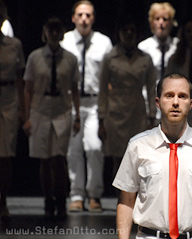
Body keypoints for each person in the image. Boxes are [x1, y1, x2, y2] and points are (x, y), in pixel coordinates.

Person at [113, 73, 192, 239]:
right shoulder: (138, 146)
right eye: (169, 95)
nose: (175, 102)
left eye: (182, 96)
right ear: (158, 102)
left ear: (191, 104)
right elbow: (126, 198)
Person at [23, 17, 81, 220]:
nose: (54, 33)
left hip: (62, 110)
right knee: (44, 159)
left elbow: (74, 90)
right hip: (40, 110)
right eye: (51, 29)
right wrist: (27, 116)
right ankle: (48, 199)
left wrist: (77, 116)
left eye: (58, 29)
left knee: (59, 158)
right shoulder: (35, 57)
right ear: (45, 32)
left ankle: (61, 198)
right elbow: (28, 89)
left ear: (62, 32)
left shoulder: (71, 59)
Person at [60, 0, 113, 212]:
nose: (84, 19)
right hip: (71, 102)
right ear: (73, 17)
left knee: (94, 147)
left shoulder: (103, 42)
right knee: (73, 150)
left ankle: (94, 194)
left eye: (88, 15)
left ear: (93, 18)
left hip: (94, 102)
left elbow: (109, 76)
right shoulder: (64, 41)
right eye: (80, 14)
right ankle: (76, 194)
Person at [97, 20, 157, 188]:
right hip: (115, 111)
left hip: (137, 111)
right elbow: (102, 90)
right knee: (118, 158)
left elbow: (152, 89)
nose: (129, 33)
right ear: (119, 33)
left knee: (139, 157)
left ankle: (138, 200)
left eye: (133, 29)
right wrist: (101, 119)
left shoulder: (145, 58)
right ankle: (121, 200)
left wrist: (153, 116)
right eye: (125, 29)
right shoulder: (110, 57)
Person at [0, 0, 25, 222]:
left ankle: (3, 200)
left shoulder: (13, 44)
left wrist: (22, 110)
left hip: (7, 98)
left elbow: (19, 78)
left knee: (6, 153)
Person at [138, 2, 178, 123]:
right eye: (157, 19)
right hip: (149, 100)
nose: (161, 23)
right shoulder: (143, 47)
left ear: (171, 23)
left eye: (165, 19)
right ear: (151, 22)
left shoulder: (177, 46)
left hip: (173, 101)